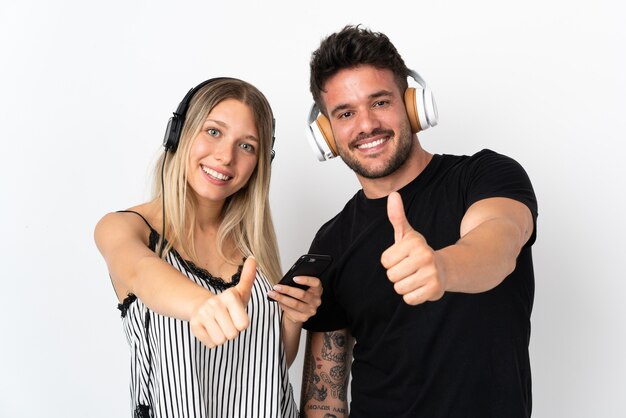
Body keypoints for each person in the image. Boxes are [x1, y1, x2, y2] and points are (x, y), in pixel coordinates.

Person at [299, 25, 537, 418]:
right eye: (345, 113)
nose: (366, 126)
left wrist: (442, 267)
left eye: (380, 102)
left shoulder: (486, 176)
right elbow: (325, 394)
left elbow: (499, 243)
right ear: (326, 133)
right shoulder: (331, 241)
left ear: (412, 105)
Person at [94, 77, 321, 418]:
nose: (225, 156)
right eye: (213, 131)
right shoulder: (124, 228)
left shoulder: (254, 247)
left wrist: (291, 319)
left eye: (247, 146)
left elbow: (265, 368)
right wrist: (202, 305)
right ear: (179, 133)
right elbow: (140, 270)